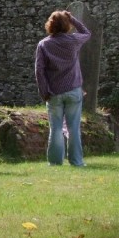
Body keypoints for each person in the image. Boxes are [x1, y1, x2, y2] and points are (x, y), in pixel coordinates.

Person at [34, 10, 91, 167]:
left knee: (56, 128)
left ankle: (55, 162)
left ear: (50, 25)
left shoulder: (44, 44)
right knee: (74, 127)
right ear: (67, 25)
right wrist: (71, 18)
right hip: (73, 89)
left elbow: (39, 71)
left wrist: (43, 91)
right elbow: (87, 32)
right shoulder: (73, 40)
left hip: (53, 92)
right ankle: (76, 161)